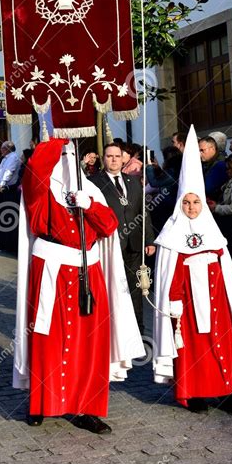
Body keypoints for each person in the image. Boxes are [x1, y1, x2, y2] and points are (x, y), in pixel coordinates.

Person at [14, 138, 144, 434]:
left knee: (89, 343)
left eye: (71, 154)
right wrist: (59, 132)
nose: (67, 160)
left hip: (87, 271)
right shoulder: (41, 189)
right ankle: (41, 403)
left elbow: (109, 226)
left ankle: (87, 407)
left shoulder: (91, 189)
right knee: (48, 339)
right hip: (52, 270)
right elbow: (34, 171)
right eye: (61, 155)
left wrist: (89, 206)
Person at [152, 125, 232, 415]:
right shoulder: (172, 233)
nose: (193, 207)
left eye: (196, 202)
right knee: (193, 349)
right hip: (186, 304)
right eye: (187, 202)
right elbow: (168, 272)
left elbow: (225, 268)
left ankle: (226, 392)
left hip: (217, 301)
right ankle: (193, 391)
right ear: (180, 203)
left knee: (223, 344)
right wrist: (173, 302)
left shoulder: (212, 230)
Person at [91, 143, 156, 334]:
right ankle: (112, 329)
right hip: (109, 244)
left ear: (123, 158)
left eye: (117, 156)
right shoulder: (94, 182)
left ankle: (137, 329)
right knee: (112, 287)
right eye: (109, 156)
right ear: (104, 159)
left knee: (135, 287)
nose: (113, 160)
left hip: (134, 244)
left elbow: (143, 212)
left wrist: (149, 240)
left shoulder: (133, 181)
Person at [199, 136, 228, 201]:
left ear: (212, 148)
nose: (199, 153)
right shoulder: (207, 163)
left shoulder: (220, 164)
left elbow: (208, 189)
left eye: (202, 150)